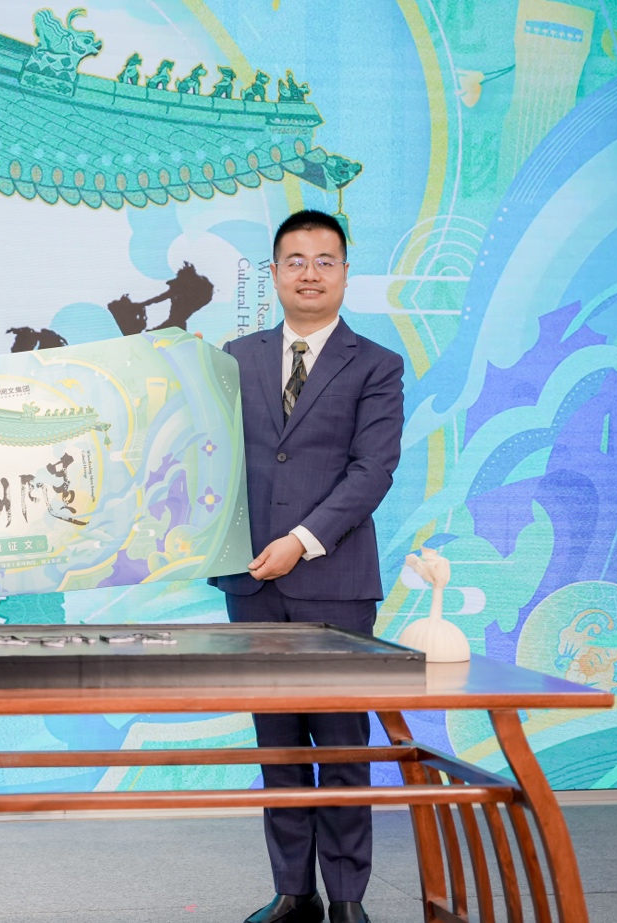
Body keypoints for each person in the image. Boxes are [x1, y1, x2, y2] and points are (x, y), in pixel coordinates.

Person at [212, 211, 405, 923]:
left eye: (325, 260)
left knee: (342, 745)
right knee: (279, 746)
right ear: (273, 274)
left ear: (345, 274)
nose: (310, 273)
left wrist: (300, 539)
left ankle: (348, 898)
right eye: (295, 260)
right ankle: (294, 893)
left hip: (336, 582)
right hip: (251, 580)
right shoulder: (234, 357)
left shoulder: (376, 364)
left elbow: (371, 471)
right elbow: (209, 458)